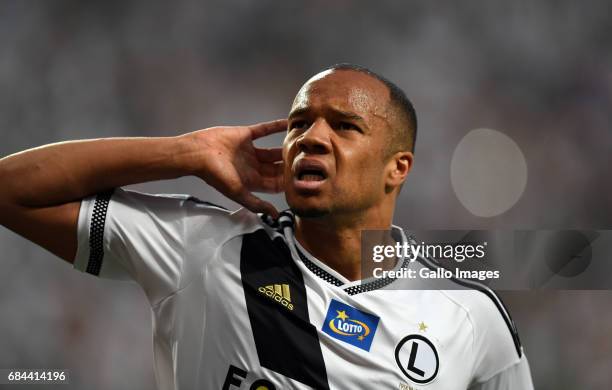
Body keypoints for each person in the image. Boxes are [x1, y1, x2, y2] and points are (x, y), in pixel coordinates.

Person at [0, 64, 533, 389]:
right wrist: (184, 151)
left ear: (399, 167)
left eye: (345, 126)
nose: (312, 138)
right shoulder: (204, 248)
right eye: (300, 123)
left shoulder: (470, 317)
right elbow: (10, 189)